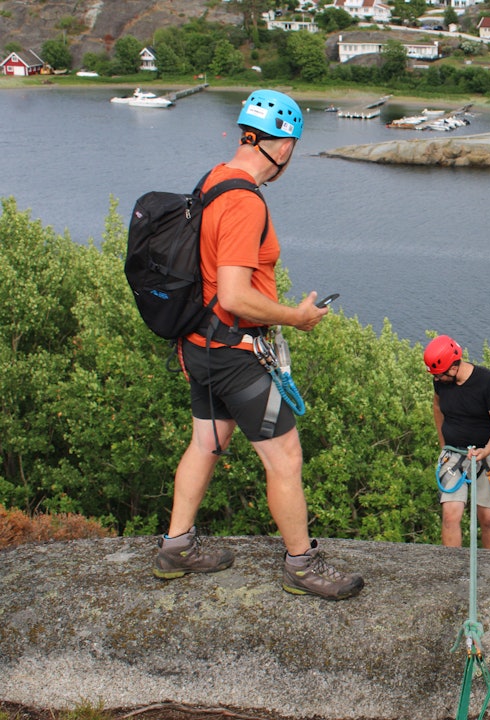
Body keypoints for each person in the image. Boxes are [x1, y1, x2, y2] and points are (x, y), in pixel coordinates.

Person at [152, 89, 365, 601]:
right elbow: (235, 295)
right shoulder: (246, 201)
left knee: (207, 442)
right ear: (284, 146)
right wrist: (296, 317)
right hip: (233, 354)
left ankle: (175, 547)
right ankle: (301, 565)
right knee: (285, 458)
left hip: (199, 345)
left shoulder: (213, 179)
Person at [425, 335, 490, 550]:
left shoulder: (488, 383)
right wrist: (443, 443)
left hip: (487, 455)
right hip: (453, 454)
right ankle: (452, 568)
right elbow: (437, 407)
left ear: (453, 368)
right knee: (450, 516)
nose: (437, 379)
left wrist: (485, 451)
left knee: (488, 517)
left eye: (440, 374)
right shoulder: (440, 383)